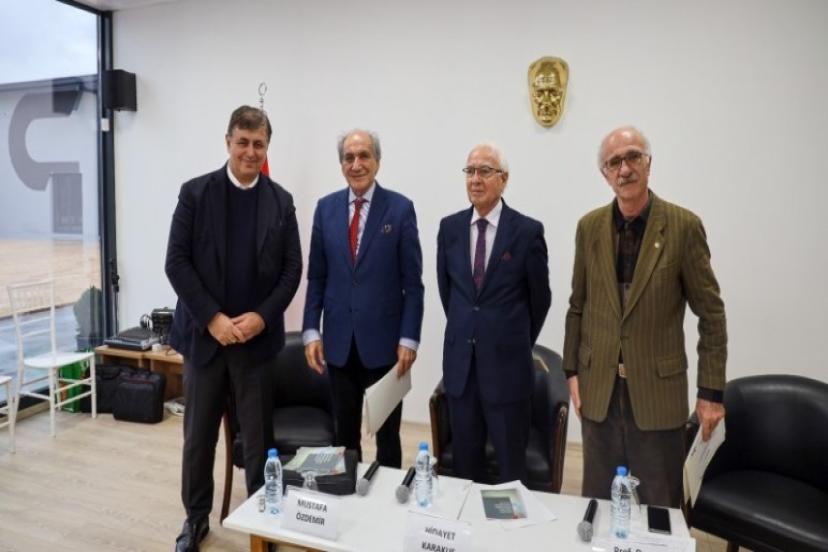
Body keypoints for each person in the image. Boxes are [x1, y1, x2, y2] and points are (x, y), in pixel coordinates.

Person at [562, 126, 727, 508]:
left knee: (660, 509)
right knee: (599, 506)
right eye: (614, 162)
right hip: (599, 394)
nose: (625, 169)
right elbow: (578, 305)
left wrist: (711, 393)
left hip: (657, 396)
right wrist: (571, 371)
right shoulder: (588, 228)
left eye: (633, 157)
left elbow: (712, 314)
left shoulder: (683, 227)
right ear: (605, 174)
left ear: (649, 163)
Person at [165, 106, 302, 552]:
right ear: (228, 141)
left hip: (256, 345)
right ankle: (196, 520)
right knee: (198, 440)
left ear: (267, 148)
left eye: (258, 144)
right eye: (242, 142)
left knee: (259, 442)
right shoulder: (195, 194)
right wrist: (213, 318)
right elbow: (176, 262)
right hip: (205, 341)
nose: (250, 151)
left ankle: (263, 523)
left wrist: (261, 316)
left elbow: (292, 270)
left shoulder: (281, 201)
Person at [302, 129, 424, 468]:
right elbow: (316, 278)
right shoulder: (325, 209)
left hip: (386, 347)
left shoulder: (400, 209)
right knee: (343, 437)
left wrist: (409, 339)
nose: (356, 164)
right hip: (339, 344)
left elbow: (413, 285)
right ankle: (347, 492)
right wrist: (311, 331)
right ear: (341, 164)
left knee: (388, 438)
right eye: (349, 157)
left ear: (377, 161)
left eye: (364, 156)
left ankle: (387, 498)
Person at [437, 143, 551, 483]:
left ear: (504, 179)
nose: (475, 179)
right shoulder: (449, 228)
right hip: (461, 370)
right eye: (470, 171)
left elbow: (540, 299)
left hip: (507, 372)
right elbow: (449, 294)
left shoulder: (527, 232)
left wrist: (511, 340)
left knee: (510, 473)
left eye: (485, 171)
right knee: (464, 472)